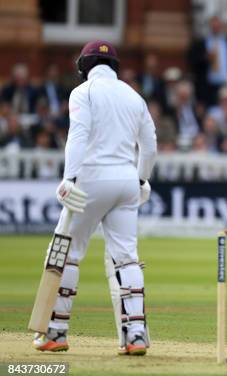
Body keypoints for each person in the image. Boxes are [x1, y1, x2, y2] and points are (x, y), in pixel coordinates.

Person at [33, 40, 157, 356]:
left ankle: (55, 332)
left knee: (65, 252)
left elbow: (78, 135)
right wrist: (141, 178)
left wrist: (69, 177)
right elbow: (150, 145)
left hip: (90, 180)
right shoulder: (134, 96)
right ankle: (136, 336)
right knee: (126, 257)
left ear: (83, 67)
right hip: (126, 182)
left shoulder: (83, 92)